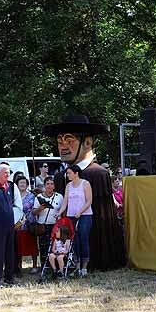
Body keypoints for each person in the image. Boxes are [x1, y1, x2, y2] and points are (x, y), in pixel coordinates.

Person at [45, 114, 127, 271]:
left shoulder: (97, 173)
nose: (62, 146)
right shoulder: (60, 176)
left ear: (87, 142)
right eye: (59, 141)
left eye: (69, 141)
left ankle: (89, 263)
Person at [57, 164, 94, 276]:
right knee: (74, 241)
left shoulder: (85, 184)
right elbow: (65, 202)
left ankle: (84, 268)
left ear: (76, 173)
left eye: (69, 173)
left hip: (84, 216)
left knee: (83, 239)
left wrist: (80, 212)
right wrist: (59, 212)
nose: (67, 175)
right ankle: (77, 267)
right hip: (71, 216)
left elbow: (89, 201)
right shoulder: (68, 186)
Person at [32, 177, 63, 265]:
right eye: (47, 184)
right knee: (43, 248)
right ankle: (44, 267)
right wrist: (40, 208)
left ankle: (56, 266)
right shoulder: (39, 197)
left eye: (51, 184)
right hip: (43, 225)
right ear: (44, 185)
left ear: (54, 186)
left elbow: (63, 210)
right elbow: (34, 212)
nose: (49, 186)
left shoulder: (59, 196)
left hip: (56, 226)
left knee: (56, 247)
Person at [14, 175, 38, 273]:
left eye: (24, 183)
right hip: (18, 225)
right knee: (18, 245)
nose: (23, 184)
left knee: (32, 245)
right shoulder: (14, 196)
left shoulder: (32, 196)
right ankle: (19, 265)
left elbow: (34, 208)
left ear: (27, 185)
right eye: (21, 183)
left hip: (29, 224)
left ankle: (35, 266)